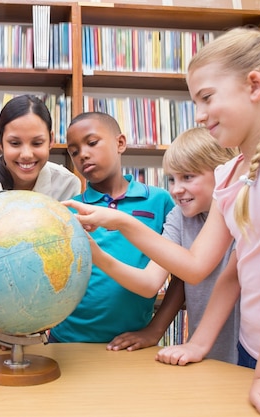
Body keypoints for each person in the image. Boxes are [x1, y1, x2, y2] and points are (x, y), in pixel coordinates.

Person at [65, 28, 260, 417]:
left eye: (206, 98)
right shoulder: (230, 174)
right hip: (252, 354)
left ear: (254, 85)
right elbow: (204, 268)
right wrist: (199, 344)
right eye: (194, 102)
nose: (199, 115)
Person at [89, 127, 240, 364]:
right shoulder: (180, 217)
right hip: (206, 354)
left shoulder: (242, 214)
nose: (176, 190)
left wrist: (122, 222)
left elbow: (221, 278)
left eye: (188, 177)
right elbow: (149, 283)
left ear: (222, 172)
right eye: (172, 179)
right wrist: (96, 254)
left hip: (250, 353)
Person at [48, 111, 175, 344]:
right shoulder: (68, 211)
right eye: (74, 152)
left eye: (92, 143)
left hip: (132, 345)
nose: (83, 155)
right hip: (66, 341)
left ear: (120, 143)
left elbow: (182, 274)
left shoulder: (160, 201)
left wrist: (155, 331)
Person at [0, 94, 81, 201]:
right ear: (0, 142)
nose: (26, 155)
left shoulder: (67, 185)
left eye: (37, 143)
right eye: (15, 143)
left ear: (51, 140)